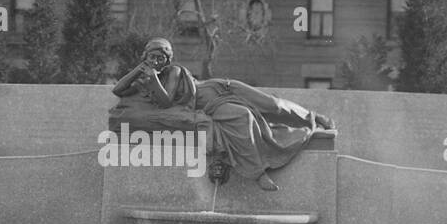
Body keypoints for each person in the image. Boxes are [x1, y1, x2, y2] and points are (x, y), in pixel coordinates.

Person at [110, 37, 334, 191]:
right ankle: (258, 173)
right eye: (152, 57)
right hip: (211, 106)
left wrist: (152, 76)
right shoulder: (144, 81)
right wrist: (139, 71)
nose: (157, 62)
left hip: (216, 89)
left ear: (168, 60)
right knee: (242, 116)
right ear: (145, 58)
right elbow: (118, 90)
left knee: (271, 105)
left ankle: (313, 117)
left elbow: (166, 98)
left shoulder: (174, 72)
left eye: (161, 58)